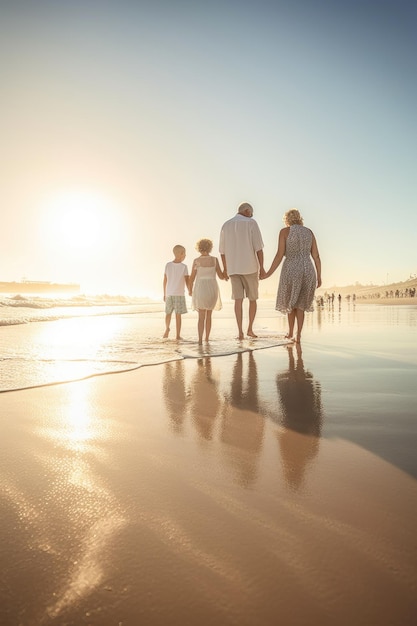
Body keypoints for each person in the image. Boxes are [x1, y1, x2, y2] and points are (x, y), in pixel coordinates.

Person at [262, 208, 321, 343]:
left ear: (286, 219)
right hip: (308, 268)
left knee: (291, 302)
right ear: (300, 218)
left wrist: (268, 273)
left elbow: (279, 255)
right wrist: (319, 275)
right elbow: (316, 256)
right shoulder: (309, 232)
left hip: (291, 268)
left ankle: (290, 333)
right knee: (300, 305)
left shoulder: (284, 232)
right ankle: (298, 334)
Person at [219, 202, 265, 340]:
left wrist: (225, 268)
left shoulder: (225, 225)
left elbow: (222, 251)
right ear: (246, 211)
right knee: (252, 299)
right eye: (251, 212)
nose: (252, 215)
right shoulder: (251, 223)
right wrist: (262, 268)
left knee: (237, 301)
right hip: (250, 267)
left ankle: (240, 332)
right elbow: (259, 248)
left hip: (233, 269)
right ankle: (250, 329)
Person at [188, 238, 225, 344]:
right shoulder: (214, 260)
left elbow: (191, 278)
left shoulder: (196, 261)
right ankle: (207, 338)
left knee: (201, 317)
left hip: (200, 289)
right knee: (209, 315)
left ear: (199, 248)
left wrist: (190, 290)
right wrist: (226, 272)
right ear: (210, 248)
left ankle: (200, 340)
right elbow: (221, 276)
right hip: (212, 288)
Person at [163, 244, 190, 340]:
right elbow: (187, 280)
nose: (185, 256)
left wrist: (164, 293)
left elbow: (165, 280)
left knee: (168, 313)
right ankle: (177, 335)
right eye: (184, 254)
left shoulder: (168, 265)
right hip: (178, 294)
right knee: (177, 315)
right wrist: (190, 290)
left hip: (170, 293)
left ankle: (167, 329)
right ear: (181, 254)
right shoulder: (184, 267)